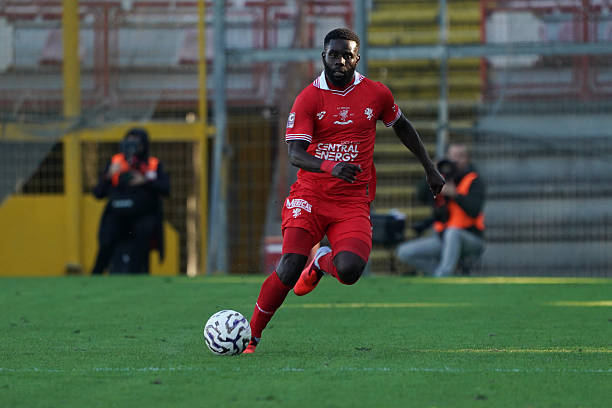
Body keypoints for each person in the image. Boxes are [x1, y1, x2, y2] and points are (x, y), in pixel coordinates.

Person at [243, 28, 444, 354]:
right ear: (323, 56)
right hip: (309, 195)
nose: (340, 61)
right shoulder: (309, 98)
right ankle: (252, 334)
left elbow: (403, 126)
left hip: (352, 201)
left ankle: (322, 262)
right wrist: (329, 166)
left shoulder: (376, 93)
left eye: (347, 55)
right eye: (334, 54)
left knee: (350, 271)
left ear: (357, 58)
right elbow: (295, 154)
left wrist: (430, 167)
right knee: (290, 264)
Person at [396, 143, 486, 277]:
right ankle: (443, 276)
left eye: (461, 156)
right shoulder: (441, 177)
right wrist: (431, 170)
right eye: (453, 156)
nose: (456, 160)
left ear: (468, 159)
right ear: (447, 157)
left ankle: (444, 275)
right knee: (404, 252)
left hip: (470, 238)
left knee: (453, 232)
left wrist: (454, 194)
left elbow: (474, 209)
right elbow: (420, 196)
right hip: (442, 238)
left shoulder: (474, 180)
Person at [91, 128, 170, 275]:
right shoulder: (115, 162)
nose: (131, 146)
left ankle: (139, 275)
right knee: (107, 241)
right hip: (117, 213)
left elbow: (166, 189)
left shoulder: (152, 164)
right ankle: (96, 274)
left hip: (142, 215)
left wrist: (144, 180)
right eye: (129, 141)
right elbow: (98, 193)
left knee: (142, 239)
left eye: (136, 141)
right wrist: (109, 175)